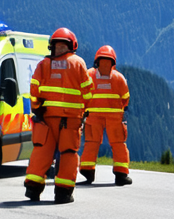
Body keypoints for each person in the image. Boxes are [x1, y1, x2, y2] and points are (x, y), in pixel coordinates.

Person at [24, 28, 93, 204]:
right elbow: (88, 92)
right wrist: (85, 110)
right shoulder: (78, 63)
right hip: (70, 120)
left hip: (46, 119)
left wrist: (37, 108)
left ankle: (33, 188)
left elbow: (33, 90)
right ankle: (63, 193)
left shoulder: (43, 65)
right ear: (72, 45)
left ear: (52, 46)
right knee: (68, 153)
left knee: (42, 151)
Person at [80, 45, 132, 186]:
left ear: (97, 60)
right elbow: (125, 98)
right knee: (118, 144)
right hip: (114, 118)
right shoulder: (119, 78)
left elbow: (82, 94)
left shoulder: (89, 75)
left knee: (91, 143)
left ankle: (87, 171)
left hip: (93, 116)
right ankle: (121, 175)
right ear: (113, 62)